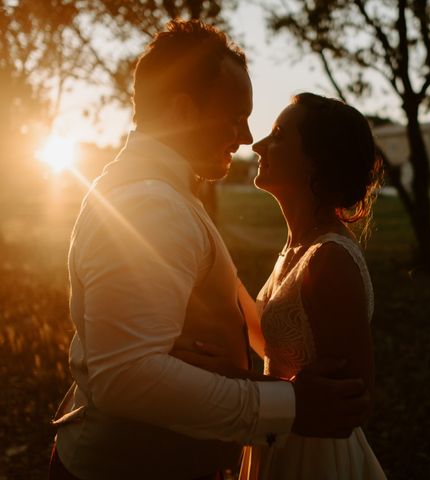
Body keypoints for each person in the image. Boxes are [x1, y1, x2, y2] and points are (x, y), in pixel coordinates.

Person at [50, 21, 369, 480]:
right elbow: (126, 377)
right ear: (184, 111)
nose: (245, 137)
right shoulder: (150, 204)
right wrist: (286, 404)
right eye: (235, 116)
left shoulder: (166, 194)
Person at [178, 93, 387, 479]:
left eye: (277, 135)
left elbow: (354, 403)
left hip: (315, 458)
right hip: (281, 437)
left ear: (316, 161)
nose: (257, 145)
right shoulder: (298, 244)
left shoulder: (330, 259)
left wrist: (236, 379)